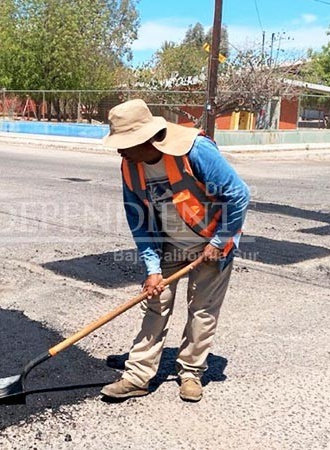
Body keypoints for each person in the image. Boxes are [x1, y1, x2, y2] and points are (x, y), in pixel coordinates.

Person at [100, 99, 250, 402]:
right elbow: (137, 221)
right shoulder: (130, 166)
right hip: (167, 244)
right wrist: (152, 269)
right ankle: (137, 376)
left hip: (211, 244)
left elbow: (239, 195)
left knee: (203, 310)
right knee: (154, 304)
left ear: (146, 139)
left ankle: (191, 373)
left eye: (125, 144)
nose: (120, 150)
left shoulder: (195, 151)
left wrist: (218, 242)